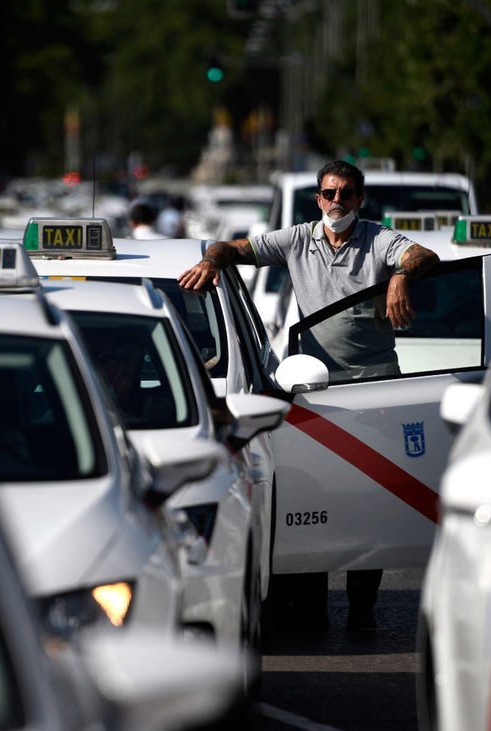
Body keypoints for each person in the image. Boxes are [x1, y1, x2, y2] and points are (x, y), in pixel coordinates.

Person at [177, 159, 440, 631]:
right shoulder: (297, 238)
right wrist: (210, 261)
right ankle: (313, 607)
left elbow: (425, 257)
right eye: (328, 193)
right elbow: (230, 248)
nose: (336, 202)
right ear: (317, 198)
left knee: (371, 500)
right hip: (313, 386)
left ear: (359, 199)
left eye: (345, 194)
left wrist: (400, 275)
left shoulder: (379, 238)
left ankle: (362, 609)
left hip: (374, 387)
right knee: (314, 498)